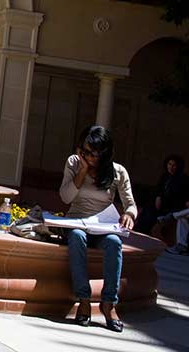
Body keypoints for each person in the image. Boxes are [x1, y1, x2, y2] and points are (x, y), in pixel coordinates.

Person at [60, 125, 137, 331]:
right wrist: (82, 170)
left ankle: (109, 303)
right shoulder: (74, 163)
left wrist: (129, 214)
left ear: (104, 152)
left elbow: (130, 204)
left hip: (103, 226)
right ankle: (84, 300)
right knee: (76, 237)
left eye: (93, 154)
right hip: (76, 222)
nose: (88, 157)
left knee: (114, 242)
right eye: (84, 151)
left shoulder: (118, 172)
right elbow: (66, 197)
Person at [149, 152, 189, 253]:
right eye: (169, 164)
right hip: (173, 208)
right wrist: (158, 196)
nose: (171, 167)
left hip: (175, 207)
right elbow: (159, 189)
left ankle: (173, 216)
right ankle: (181, 246)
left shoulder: (183, 179)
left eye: (174, 165)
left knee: (181, 215)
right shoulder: (165, 177)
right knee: (182, 217)